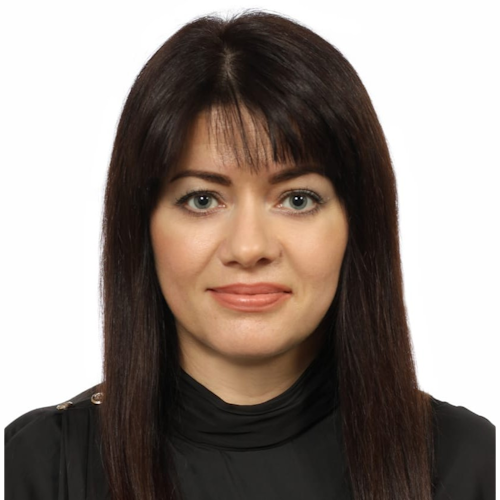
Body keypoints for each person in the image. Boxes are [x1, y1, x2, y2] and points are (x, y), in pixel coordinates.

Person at [4, 10, 495, 500]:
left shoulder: (469, 465)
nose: (249, 248)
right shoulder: (35, 467)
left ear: (358, 224)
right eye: (202, 200)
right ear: (141, 226)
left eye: (297, 200)